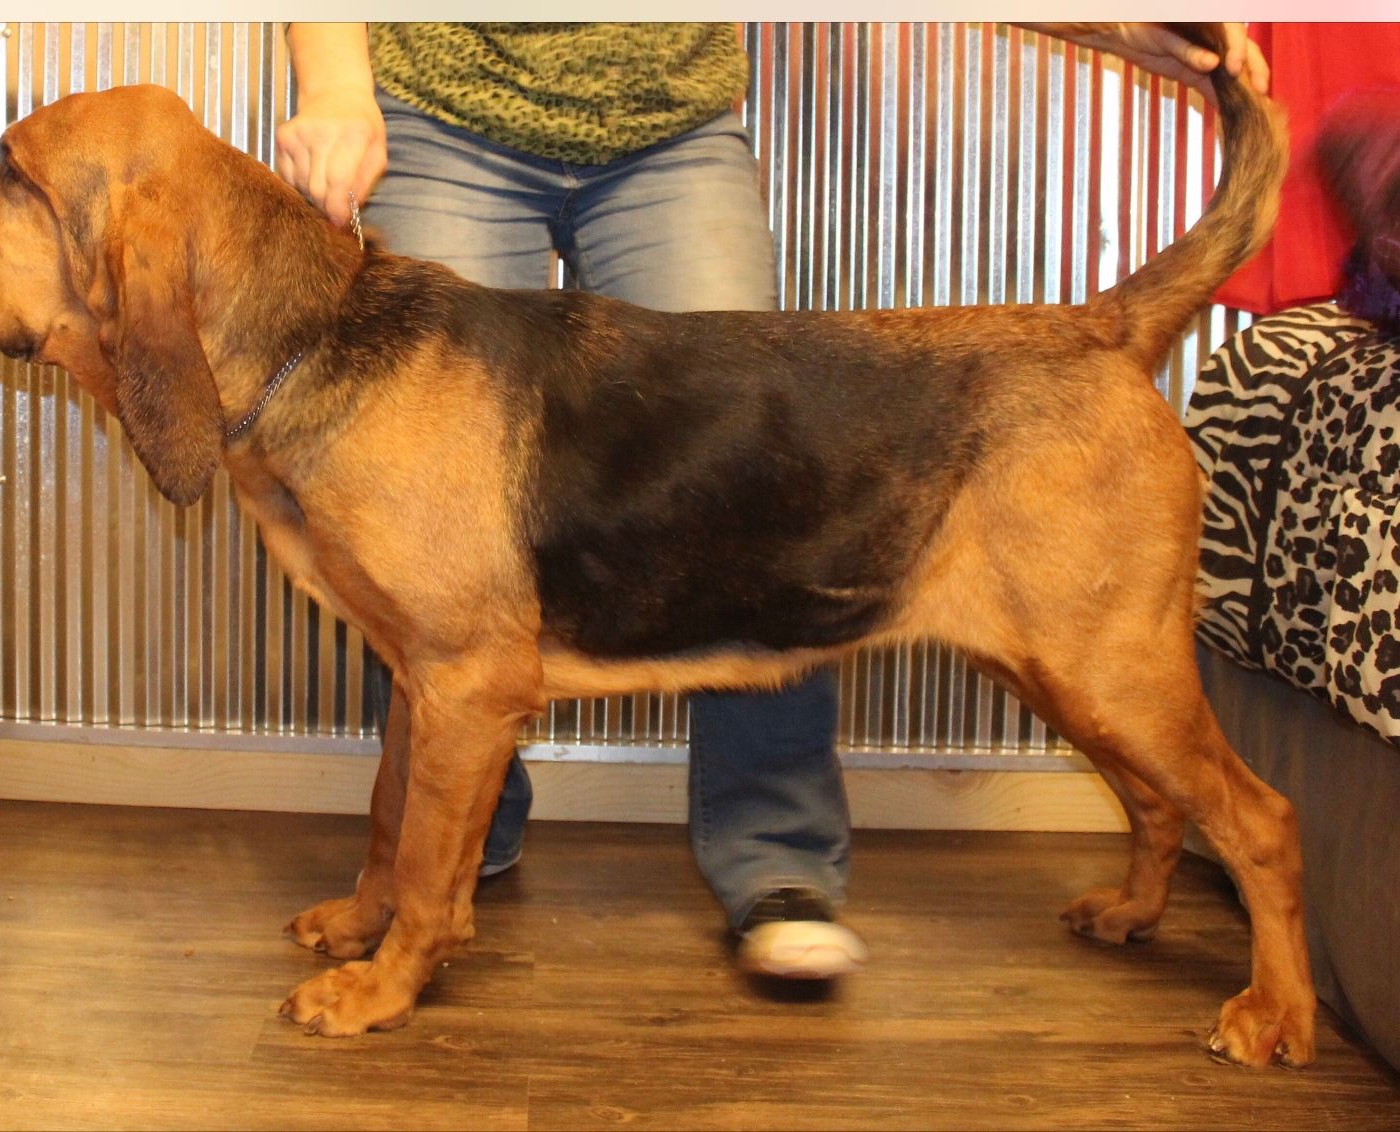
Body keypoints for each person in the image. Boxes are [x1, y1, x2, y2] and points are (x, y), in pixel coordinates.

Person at [275, 21, 1266, 981]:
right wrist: (333, 82)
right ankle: (428, 871)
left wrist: (1111, 19)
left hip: (666, 132)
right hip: (443, 118)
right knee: (423, 571)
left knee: (765, 478)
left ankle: (776, 861)